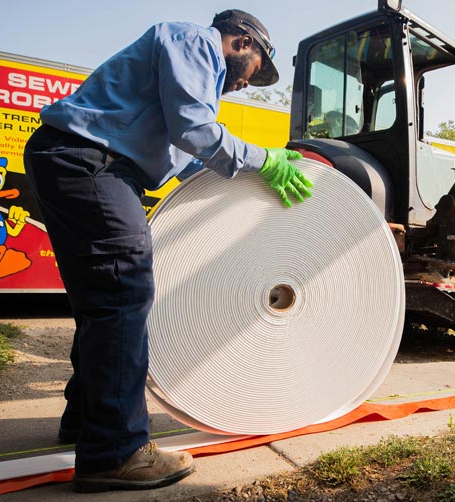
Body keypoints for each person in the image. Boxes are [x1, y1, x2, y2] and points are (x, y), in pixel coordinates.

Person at [23, 9, 312, 493]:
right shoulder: (192, 40)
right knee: (123, 294)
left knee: (100, 301)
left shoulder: (184, 81)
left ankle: (87, 423)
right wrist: (266, 159)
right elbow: (197, 135)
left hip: (79, 162)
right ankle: (115, 453)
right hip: (91, 163)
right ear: (241, 41)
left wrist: (250, 181)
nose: (250, 84)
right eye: (257, 69)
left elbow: (190, 161)